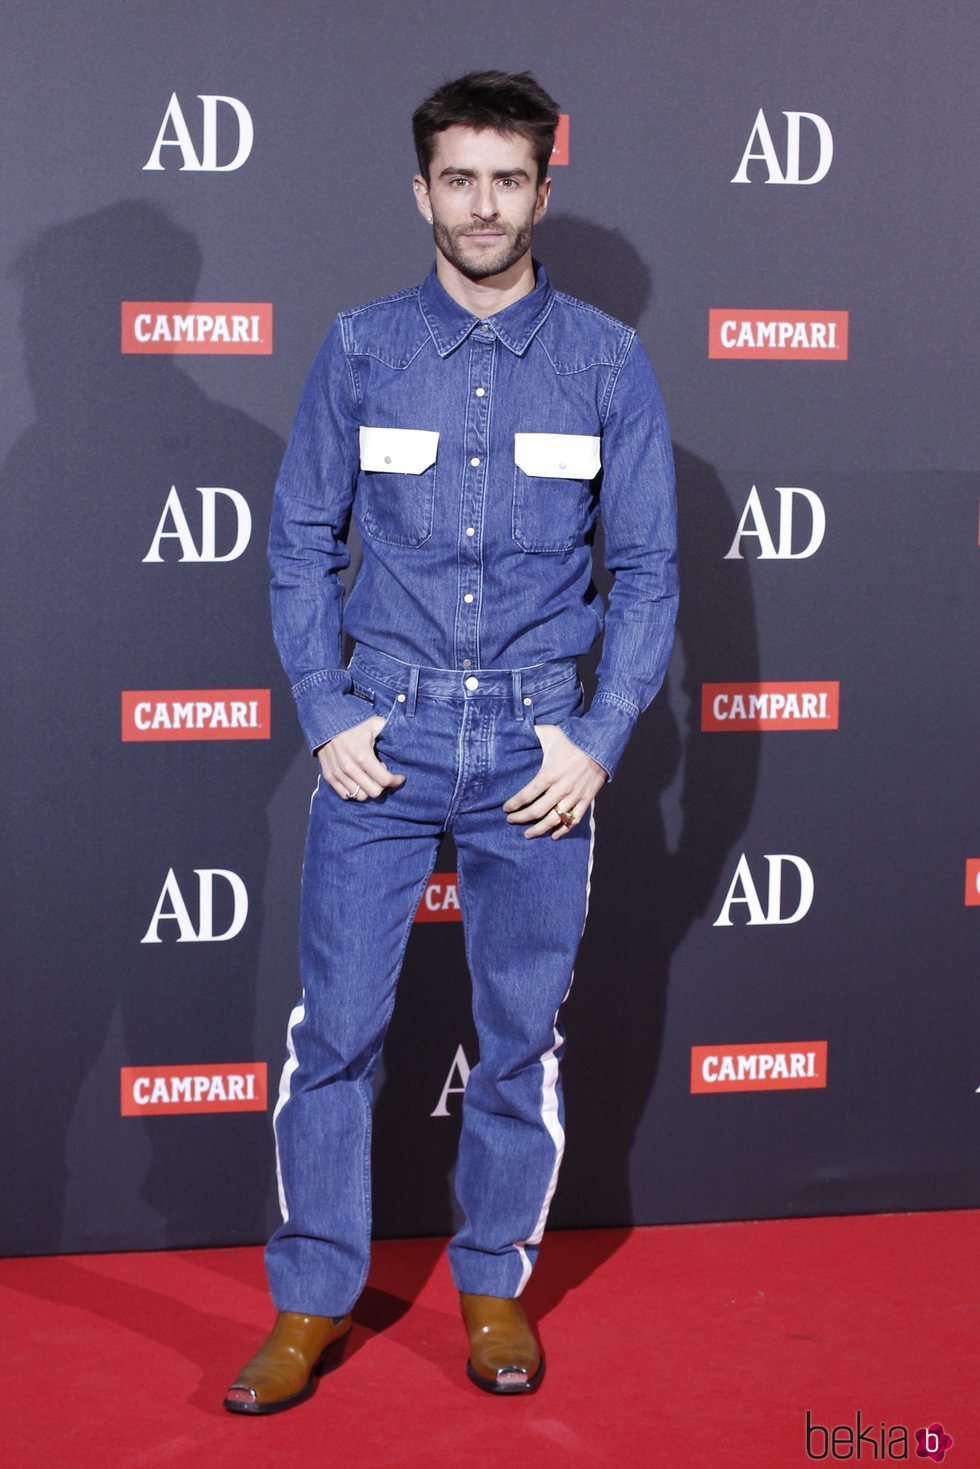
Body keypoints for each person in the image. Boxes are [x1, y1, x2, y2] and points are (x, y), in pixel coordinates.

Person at [224, 68, 678, 1414]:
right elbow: (299, 543)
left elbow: (649, 572)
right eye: (460, 179)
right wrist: (328, 710)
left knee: (519, 1036)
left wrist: (598, 736)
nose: (484, 206)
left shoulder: (608, 361)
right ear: (421, 190)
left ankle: (491, 1287)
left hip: (540, 749)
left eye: (509, 179)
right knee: (335, 1034)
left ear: (543, 188)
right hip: (386, 736)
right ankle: (310, 1301)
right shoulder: (362, 349)